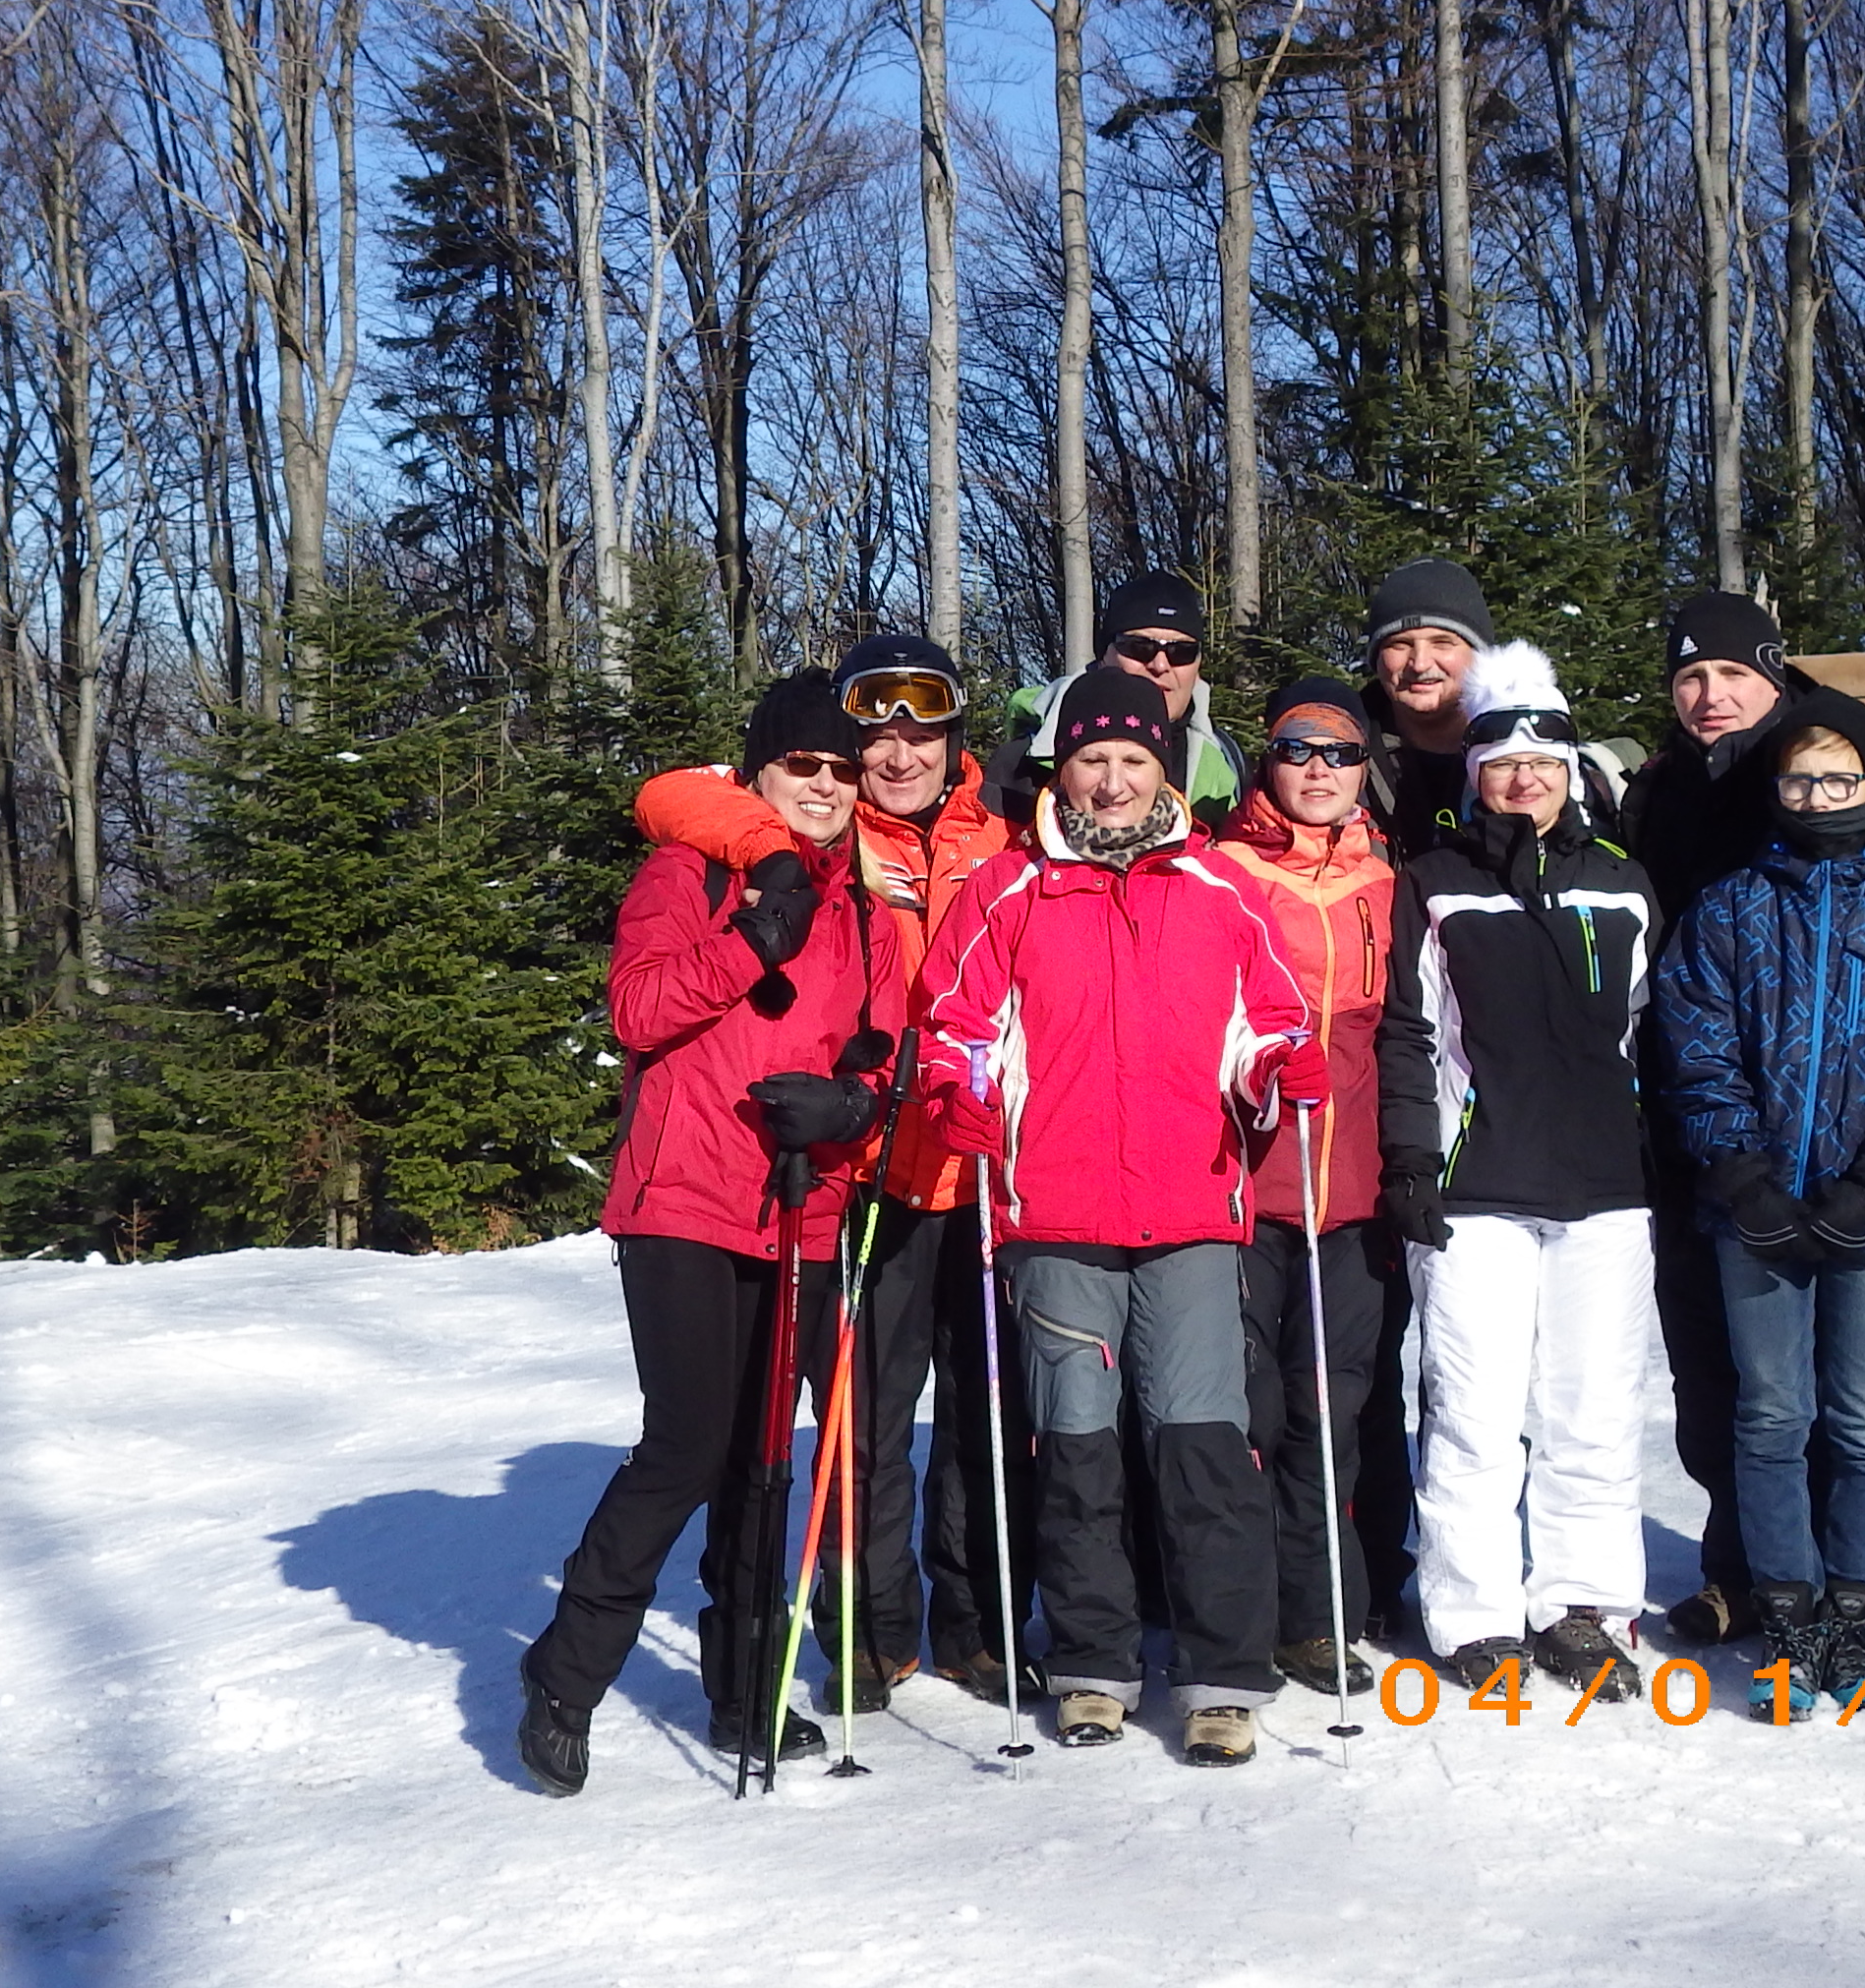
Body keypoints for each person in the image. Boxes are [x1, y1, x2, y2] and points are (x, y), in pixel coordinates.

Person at [920, 666, 1320, 1767]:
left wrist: (1278, 1070)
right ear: (1062, 768)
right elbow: (954, 1025)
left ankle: (1222, 1675)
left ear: (1164, 768)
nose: (1110, 780)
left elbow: (1268, 1022)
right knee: (1078, 1451)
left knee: (1203, 1448)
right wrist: (958, 1092)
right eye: (1092, 759)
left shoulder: (1221, 889)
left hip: (1191, 1211)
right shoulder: (1006, 889)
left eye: (1133, 759)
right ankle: (1093, 1664)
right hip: (1055, 1215)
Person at [517, 673, 902, 1797]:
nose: (824, 787)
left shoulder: (865, 911)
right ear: (758, 773)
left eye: (841, 771)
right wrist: (750, 941)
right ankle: (566, 1671)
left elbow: (885, 1049)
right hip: (683, 1195)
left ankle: (744, 1686)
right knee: (686, 1445)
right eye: (801, 767)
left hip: (798, 1203)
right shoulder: (688, 873)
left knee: (763, 1460)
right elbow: (637, 1011)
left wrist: (853, 1107)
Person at [627, 632, 1021, 1710]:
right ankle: (870, 1630)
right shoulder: (819, 837)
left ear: (954, 741)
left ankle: (978, 1625)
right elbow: (669, 795)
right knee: (868, 1420)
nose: (897, 757)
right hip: (874, 1165)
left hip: (987, 1166)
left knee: (987, 1416)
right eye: (874, 740)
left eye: (921, 734)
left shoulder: (1005, 833)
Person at [1377, 643, 1666, 1702]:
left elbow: (1650, 1028)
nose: (1524, 778)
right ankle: (1477, 1614)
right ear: (1477, 775)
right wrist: (1412, 1156)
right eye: (1502, 762)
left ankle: (1582, 1606)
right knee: (1474, 1411)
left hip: (1604, 1188)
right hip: (1477, 1189)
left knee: (1595, 1409)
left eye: (1544, 761)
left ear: (1572, 771)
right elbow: (1407, 1031)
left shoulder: (1623, 883)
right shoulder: (1435, 882)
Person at [1648, 702, 1865, 1720]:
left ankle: (1856, 1619)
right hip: (1758, 1209)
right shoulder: (1729, 906)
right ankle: (1789, 1617)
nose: (1820, 798)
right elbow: (1695, 1045)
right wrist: (1741, 1173)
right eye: (1801, 780)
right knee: (1771, 1416)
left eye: (1840, 779)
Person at [1615, 588, 1865, 1644]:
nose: (1710, 694)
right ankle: (1745, 1567)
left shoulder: (1817, 767)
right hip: (1692, 1118)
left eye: (1730, 672)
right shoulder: (1658, 791)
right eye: (1690, 676)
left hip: (1823, 1123)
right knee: (1711, 1361)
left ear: (1772, 674)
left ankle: (1834, 1578)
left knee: (1828, 1380)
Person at [1206, 674, 1402, 1694]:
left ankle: (1321, 1614)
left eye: (1340, 751)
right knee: (1248, 1414)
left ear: (1365, 767)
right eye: (1297, 748)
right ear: (1267, 761)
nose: (1318, 768)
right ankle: (1235, 1615)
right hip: (1240, 1181)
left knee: (1332, 1410)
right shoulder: (1221, 870)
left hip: (1350, 1191)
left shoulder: (1386, 880)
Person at [999, 570, 1244, 820]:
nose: (1160, 665)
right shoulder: (1021, 762)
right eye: (1140, 647)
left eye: (1181, 651)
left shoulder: (1226, 764)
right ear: (1104, 655)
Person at [1356, 559, 1489, 856]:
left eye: (1442, 643)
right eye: (1400, 644)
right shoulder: (1337, 759)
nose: (1420, 663)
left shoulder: (1529, 753)